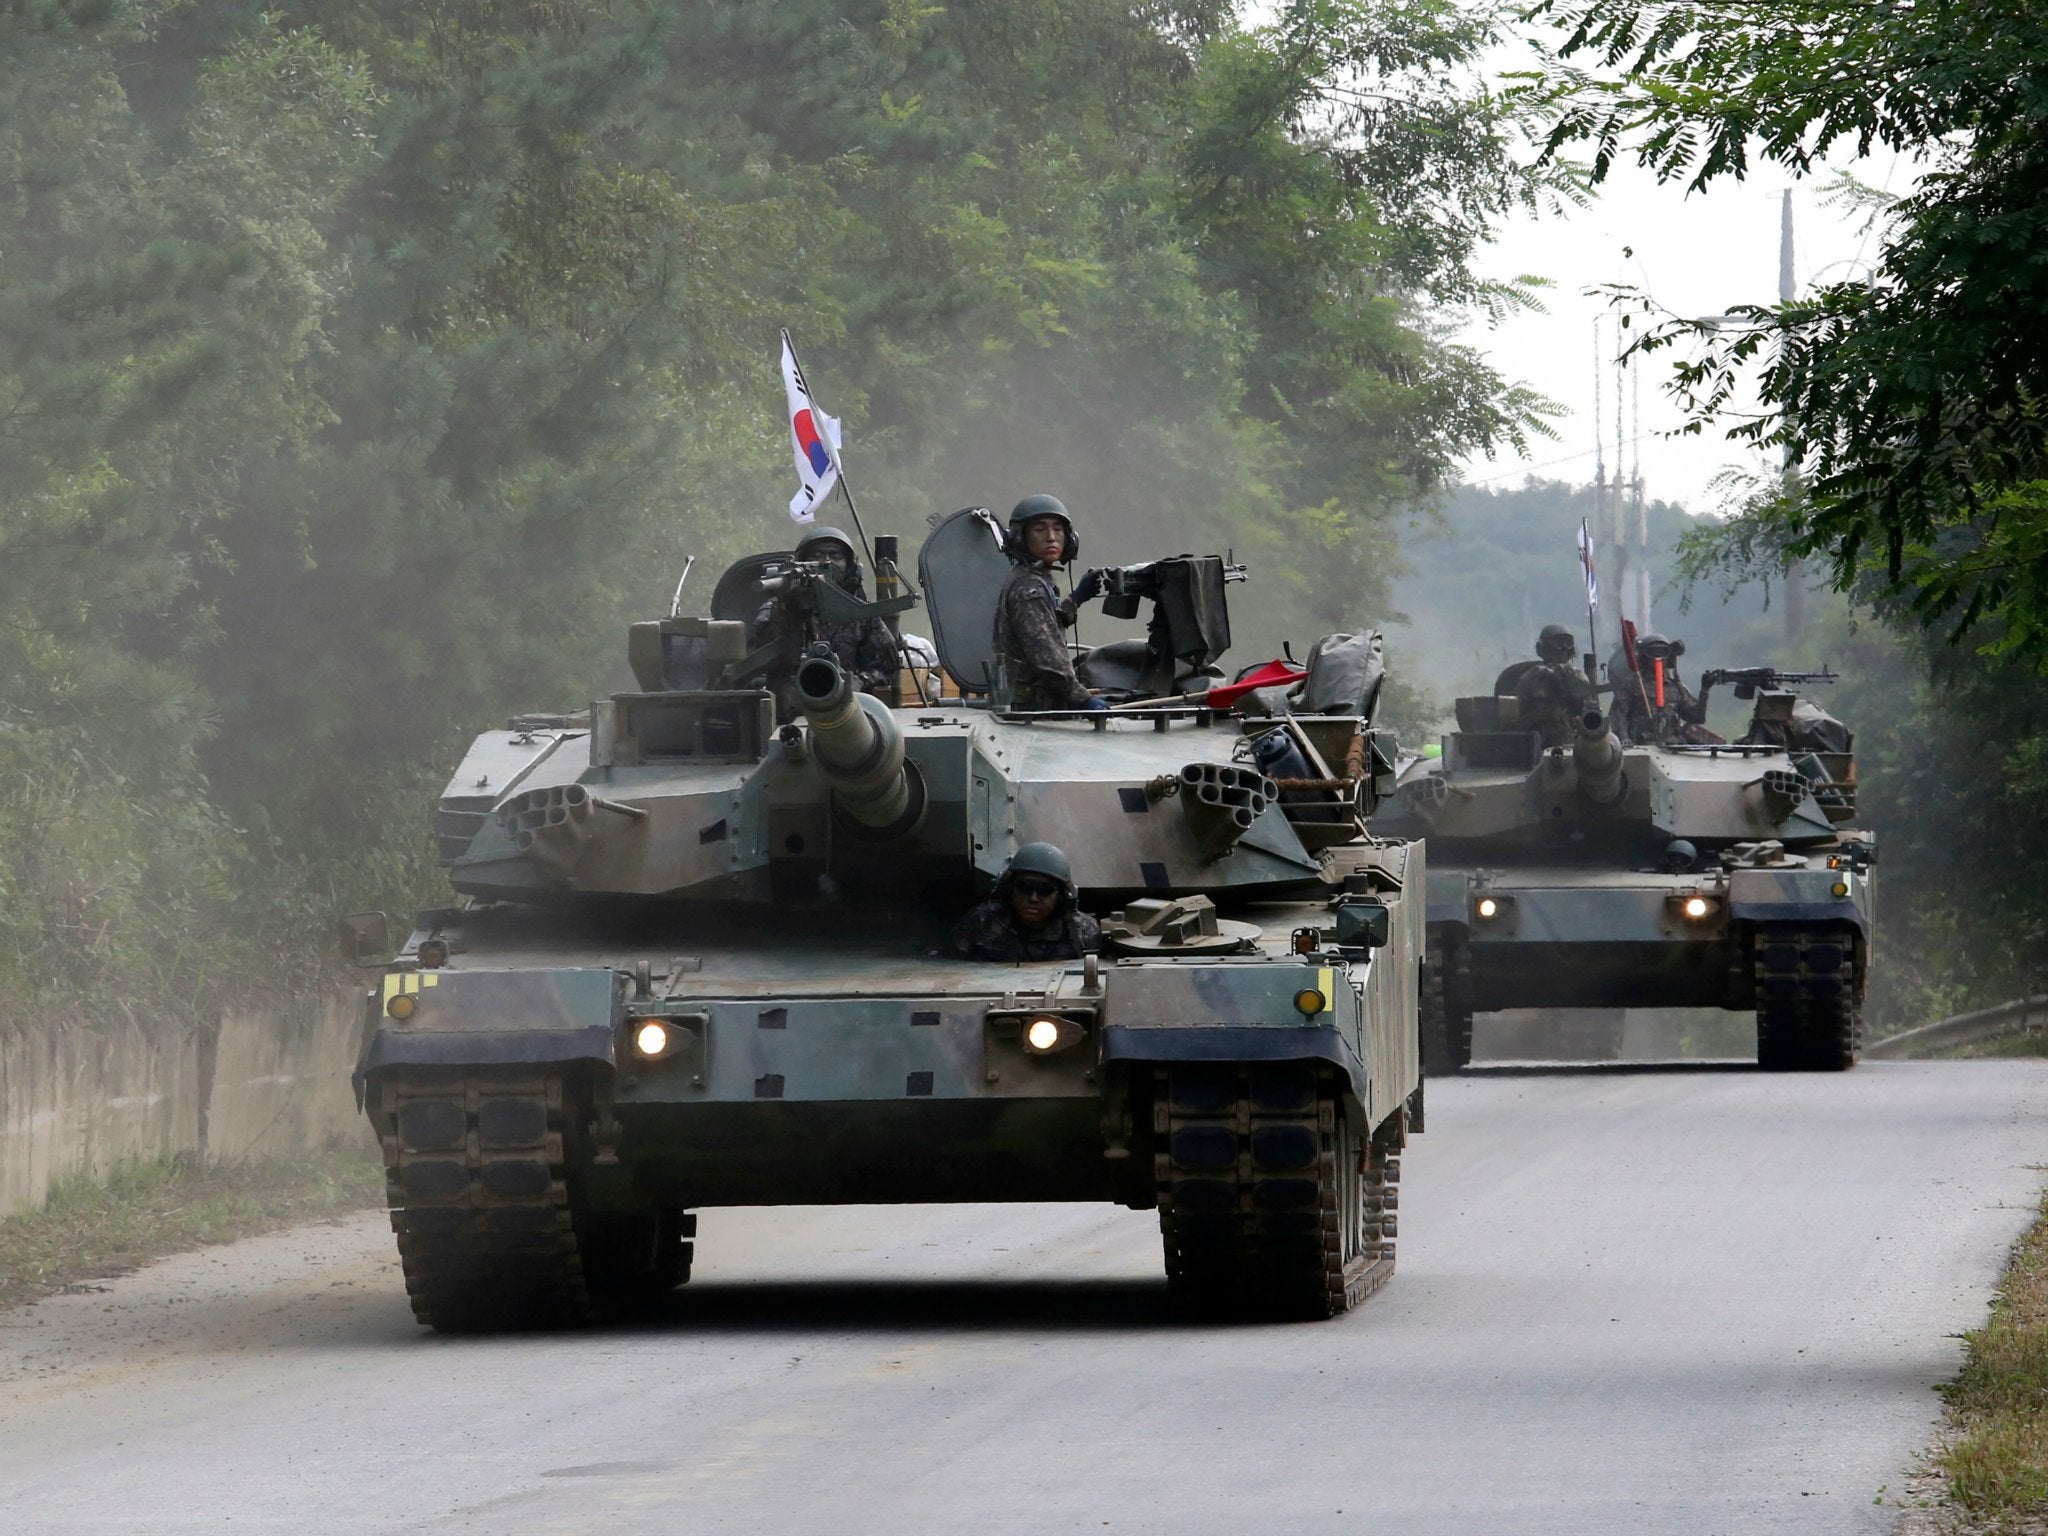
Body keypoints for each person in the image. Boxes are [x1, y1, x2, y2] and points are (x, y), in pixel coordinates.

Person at [752, 526, 898, 721]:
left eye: (835, 556)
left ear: (850, 567)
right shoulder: (776, 610)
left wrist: (860, 681)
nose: (826, 562)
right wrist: (786, 608)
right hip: (787, 715)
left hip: (848, 713)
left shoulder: (860, 613)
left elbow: (887, 665)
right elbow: (756, 657)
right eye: (817, 556)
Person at [992, 494, 1109, 712]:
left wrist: (1075, 600)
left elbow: (1046, 623)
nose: (1051, 537)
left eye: (1058, 529)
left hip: (1033, 706)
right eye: (1040, 529)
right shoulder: (1030, 589)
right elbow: (1047, 659)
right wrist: (1082, 698)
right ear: (1020, 538)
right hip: (1034, 711)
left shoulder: (1032, 577)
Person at [945, 842, 1102, 962]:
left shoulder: (1083, 933)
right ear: (1009, 890)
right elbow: (949, 969)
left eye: (1044, 890)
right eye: (1024, 888)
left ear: (1062, 897)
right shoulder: (981, 923)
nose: (1033, 898)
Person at [1611, 632, 1723, 745]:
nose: (1657, 658)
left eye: (1662, 652)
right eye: (1653, 652)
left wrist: (1705, 690)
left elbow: (1697, 717)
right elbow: (1618, 714)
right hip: (1643, 745)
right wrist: (1624, 738)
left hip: (1673, 746)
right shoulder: (1633, 683)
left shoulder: (1675, 687)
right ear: (1644, 656)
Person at [1512, 624, 1591, 747]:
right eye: (1556, 646)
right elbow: (1516, 721)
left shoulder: (1578, 677)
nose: (1561, 652)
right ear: (1544, 650)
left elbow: (1589, 716)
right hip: (1537, 745)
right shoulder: (1530, 679)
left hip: (1572, 745)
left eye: (1566, 646)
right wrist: (1544, 713)